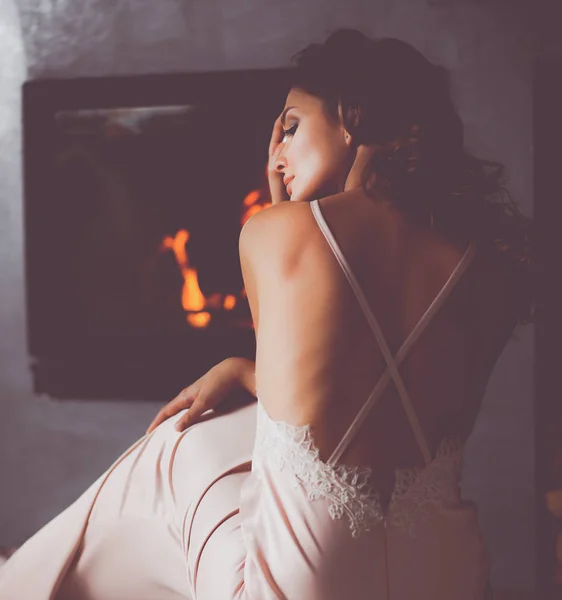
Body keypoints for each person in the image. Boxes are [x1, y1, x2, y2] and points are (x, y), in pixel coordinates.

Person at [0, 29, 534, 599]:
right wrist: (243, 367)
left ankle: (21, 579)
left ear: (353, 118)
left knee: (173, 449)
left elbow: (289, 412)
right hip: (445, 572)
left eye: (290, 127)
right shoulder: (493, 270)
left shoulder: (275, 233)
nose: (276, 155)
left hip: (302, 585)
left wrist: (283, 219)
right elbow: (374, 405)